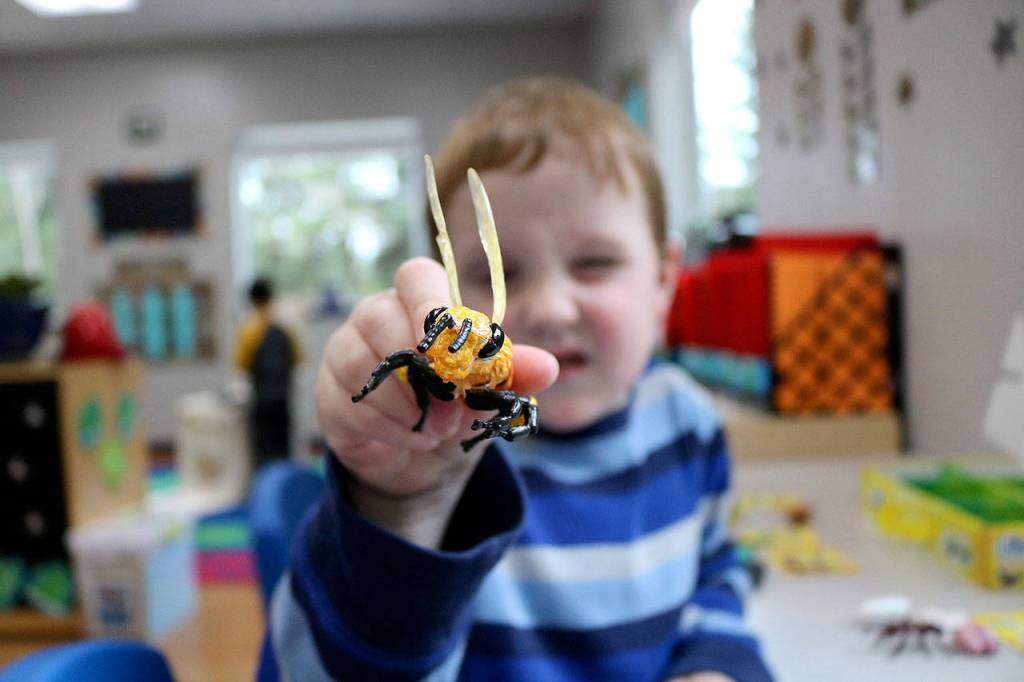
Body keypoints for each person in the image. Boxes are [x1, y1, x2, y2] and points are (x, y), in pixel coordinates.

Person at [261, 77, 773, 681]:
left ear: (663, 281)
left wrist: (716, 665)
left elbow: (717, 573)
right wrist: (401, 509)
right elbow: (306, 668)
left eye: (595, 263)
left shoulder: (689, 423)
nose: (551, 309)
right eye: (495, 273)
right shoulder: (436, 447)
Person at [234, 277, 301, 469]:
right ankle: (285, 478)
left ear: (251, 300)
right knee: (283, 441)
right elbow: (297, 358)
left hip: (261, 397)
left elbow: (241, 363)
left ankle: (266, 480)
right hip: (283, 396)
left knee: (263, 445)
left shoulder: (249, 329)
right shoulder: (285, 325)